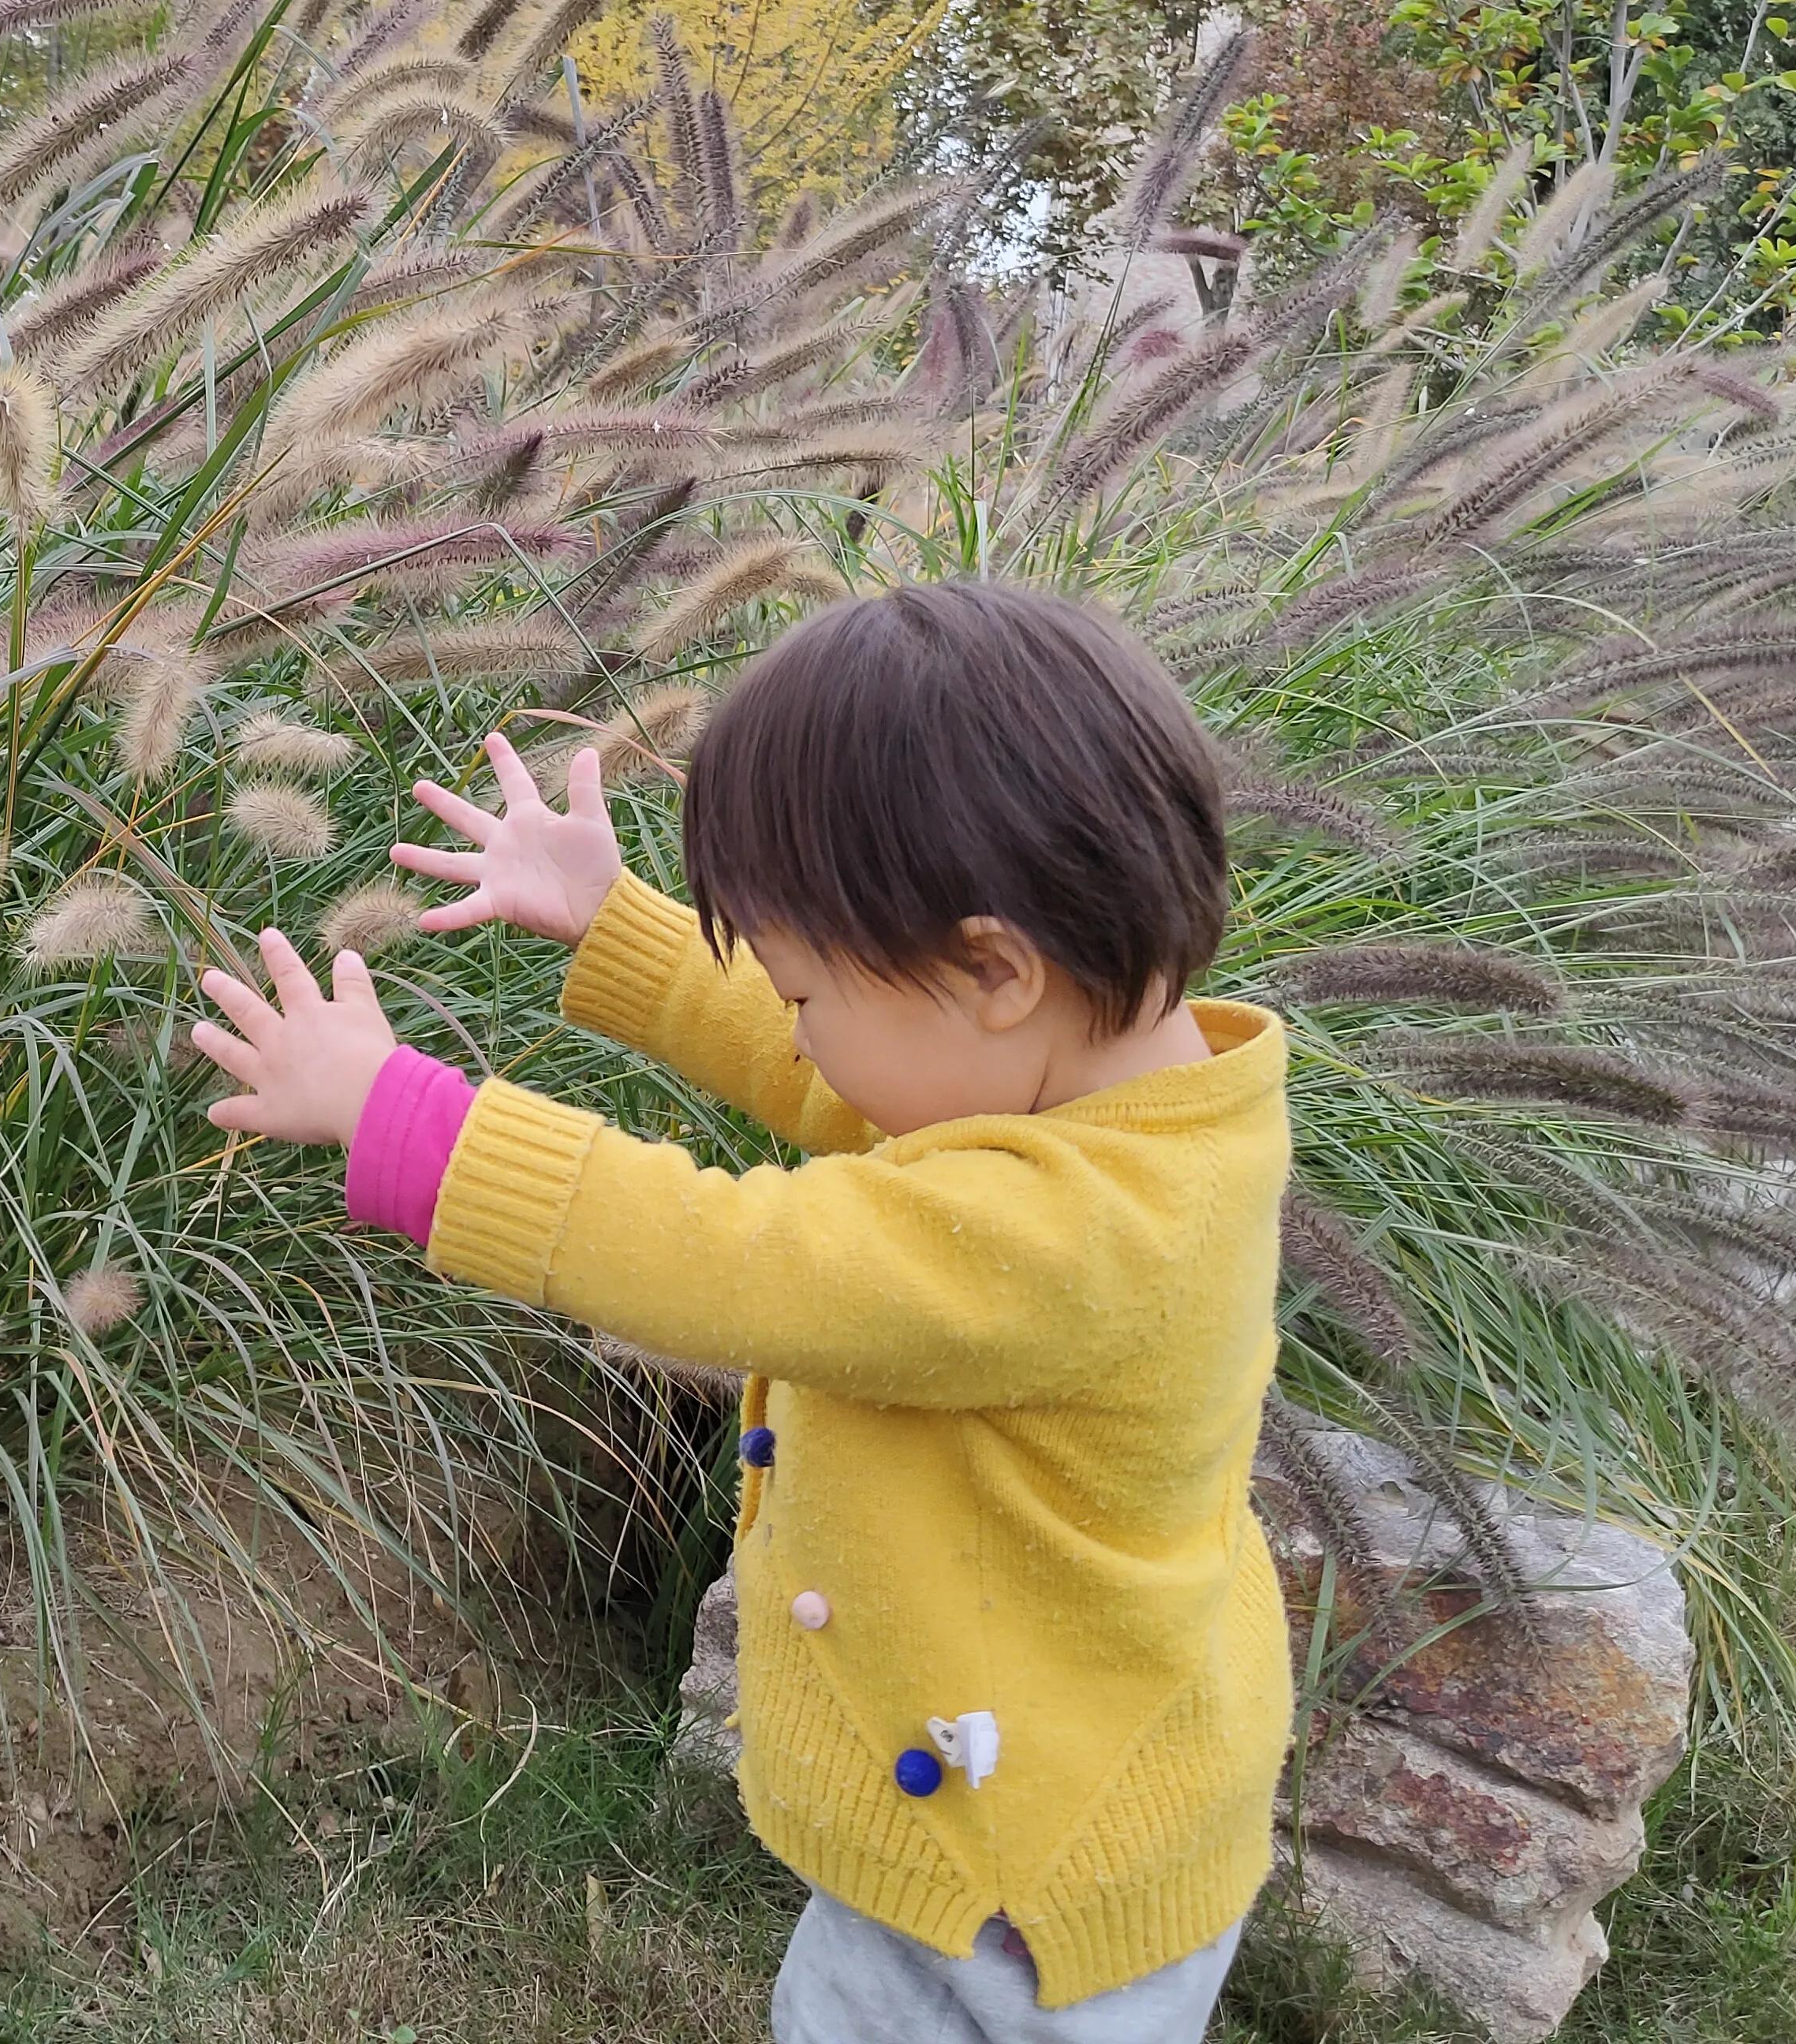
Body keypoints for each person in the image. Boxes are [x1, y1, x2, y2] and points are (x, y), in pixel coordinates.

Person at [190, 582, 1292, 2044]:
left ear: (994, 969)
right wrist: (627, 934)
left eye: (807, 989)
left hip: (1029, 1879)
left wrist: (411, 1121)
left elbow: (736, 1254)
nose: (796, 1029)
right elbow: (859, 1077)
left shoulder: (1081, 1236)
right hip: (989, 1801)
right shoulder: (1120, 1099)